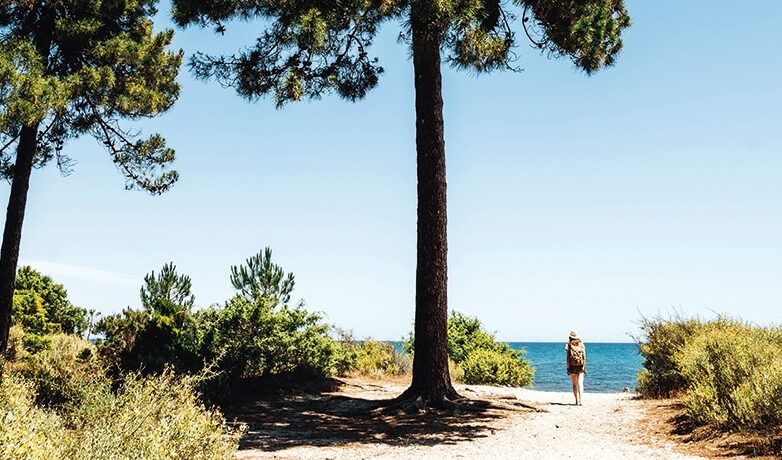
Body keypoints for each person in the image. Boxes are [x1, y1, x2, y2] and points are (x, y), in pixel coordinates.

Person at [566, 330, 587, 406]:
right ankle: (581, 401)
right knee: (580, 383)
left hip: (572, 366)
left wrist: (568, 368)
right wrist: (584, 367)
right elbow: (584, 357)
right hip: (580, 366)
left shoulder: (568, 345)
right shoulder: (581, 344)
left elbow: (567, 358)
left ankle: (577, 401)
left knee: (574, 384)